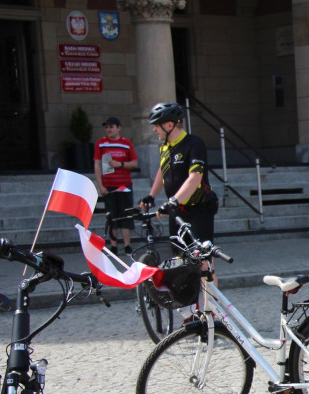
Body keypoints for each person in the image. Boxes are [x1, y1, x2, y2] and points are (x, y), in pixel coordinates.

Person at [140, 102, 219, 284]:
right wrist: (152, 196)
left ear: (169, 125)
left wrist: (173, 200)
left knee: (204, 262)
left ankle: (212, 308)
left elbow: (195, 177)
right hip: (177, 213)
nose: (154, 130)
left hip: (199, 210)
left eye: (156, 125)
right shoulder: (165, 147)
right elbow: (163, 171)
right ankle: (190, 311)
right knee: (180, 262)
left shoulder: (194, 144)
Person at [93, 116, 139, 255]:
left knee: (125, 215)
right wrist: (100, 186)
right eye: (107, 127)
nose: (109, 129)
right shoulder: (101, 143)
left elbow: (135, 163)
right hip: (109, 186)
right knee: (111, 216)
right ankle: (113, 246)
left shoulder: (126, 143)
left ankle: (127, 245)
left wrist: (121, 164)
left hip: (125, 185)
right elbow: (97, 164)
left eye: (111, 127)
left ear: (119, 128)